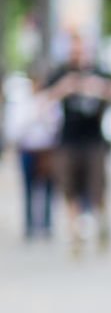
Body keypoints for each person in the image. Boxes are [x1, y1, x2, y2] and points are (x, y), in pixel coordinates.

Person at [45, 33, 111, 254]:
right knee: (70, 188)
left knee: (97, 187)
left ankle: (101, 222)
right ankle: (74, 231)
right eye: (74, 50)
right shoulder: (61, 73)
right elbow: (44, 99)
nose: (78, 55)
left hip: (94, 140)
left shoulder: (100, 72)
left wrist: (99, 88)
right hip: (68, 139)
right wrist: (65, 88)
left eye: (82, 50)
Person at [4, 73, 60, 239]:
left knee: (48, 189)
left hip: (46, 150)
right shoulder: (21, 104)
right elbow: (14, 130)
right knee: (28, 189)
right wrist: (33, 115)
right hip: (28, 149)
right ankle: (29, 225)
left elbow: (56, 126)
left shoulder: (51, 101)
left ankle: (47, 224)